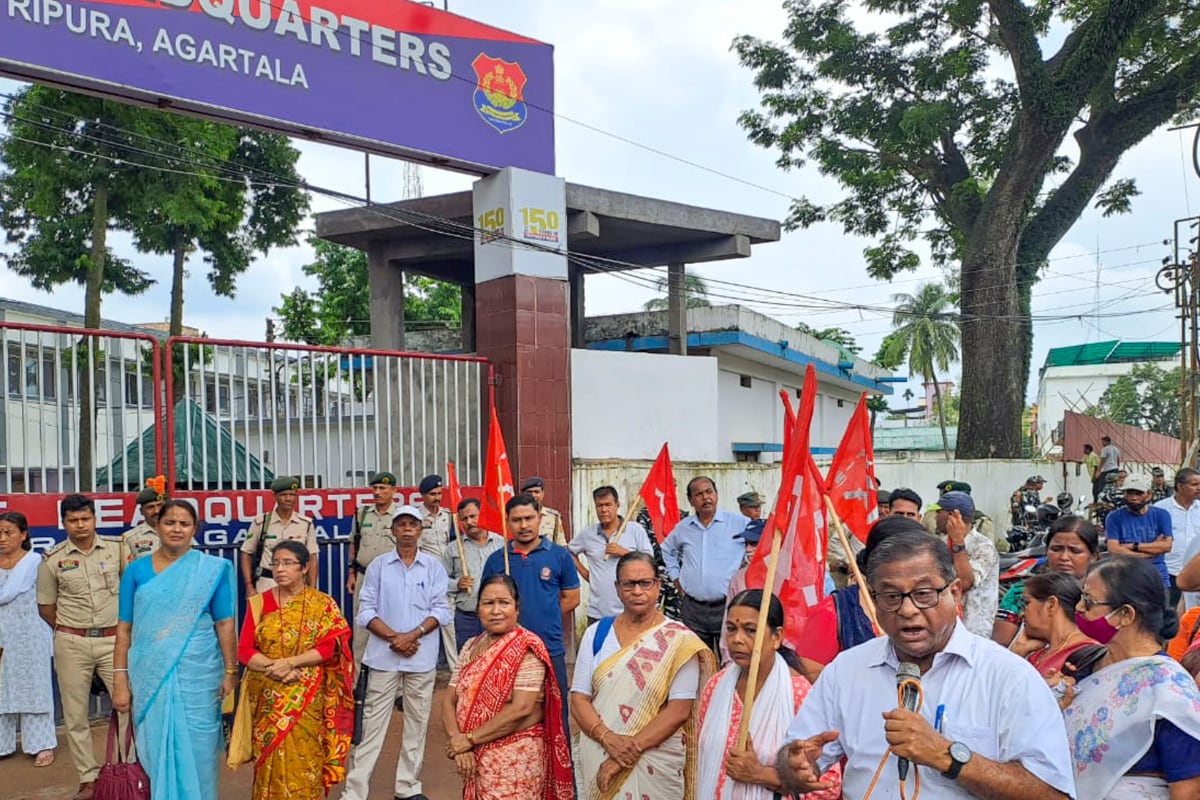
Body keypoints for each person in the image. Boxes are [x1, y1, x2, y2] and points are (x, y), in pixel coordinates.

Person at [778, 530, 1076, 800]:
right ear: (873, 600)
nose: (907, 610)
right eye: (891, 596)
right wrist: (796, 766)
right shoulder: (846, 671)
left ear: (955, 592)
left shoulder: (1009, 677)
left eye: (923, 594)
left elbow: (1053, 794)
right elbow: (795, 755)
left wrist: (949, 757)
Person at [111, 499, 238, 800]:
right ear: (157, 525)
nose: (177, 529)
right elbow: (124, 629)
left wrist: (231, 672)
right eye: (170, 522)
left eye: (185, 523)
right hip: (149, 674)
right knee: (155, 749)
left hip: (200, 676)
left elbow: (225, 624)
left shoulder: (211, 570)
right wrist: (119, 681)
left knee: (199, 751)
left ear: (195, 528)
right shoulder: (136, 571)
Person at [571, 552, 715, 800]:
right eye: (629, 584)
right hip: (600, 748)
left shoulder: (679, 640)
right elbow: (579, 698)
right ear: (617, 588)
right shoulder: (597, 634)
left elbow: (679, 710)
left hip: (654, 759)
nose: (637, 591)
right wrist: (607, 738)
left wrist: (628, 751)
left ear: (658, 586)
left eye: (645, 583)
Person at [1063, 557, 1200, 798]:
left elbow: (1187, 789)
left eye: (1089, 601)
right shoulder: (1083, 664)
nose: (1078, 608)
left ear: (1126, 614)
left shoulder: (1168, 689)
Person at [342, 505, 451, 800]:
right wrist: (395, 638)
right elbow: (365, 611)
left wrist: (412, 635)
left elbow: (441, 610)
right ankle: (355, 790)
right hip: (383, 656)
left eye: (412, 524)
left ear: (420, 530)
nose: (406, 529)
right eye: (400, 524)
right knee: (372, 725)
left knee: (417, 723)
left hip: (421, 655)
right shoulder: (378, 566)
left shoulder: (434, 567)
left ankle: (407, 787)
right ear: (392, 531)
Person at [237, 539, 355, 800]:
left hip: (307, 695)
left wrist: (291, 663)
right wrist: (273, 667)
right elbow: (244, 650)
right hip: (269, 695)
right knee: (270, 760)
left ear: (304, 568)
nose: (280, 569)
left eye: (288, 563)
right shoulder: (259, 603)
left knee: (305, 757)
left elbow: (329, 648)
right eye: (276, 563)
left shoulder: (322, 604)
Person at [696, 590, 842, 800]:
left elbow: (828, 786)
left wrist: (761, 775)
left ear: (777, 637)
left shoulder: (798, 694)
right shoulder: (715, 687)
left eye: (750, 630)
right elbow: (699, 761)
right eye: (731, 629)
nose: (737, 639)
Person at [440, 574, 574, 800]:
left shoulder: (527, 647)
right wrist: (459, 743)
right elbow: (448, 700)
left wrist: (470, 739)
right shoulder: (471, 646)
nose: (495, 611)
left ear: (517, 608)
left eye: (504, 603)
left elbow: (521, 709)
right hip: (473, 756)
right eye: (488, 603)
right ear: (478, 609)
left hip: (514, 760)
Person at [36, 493, 124, 800]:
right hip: (72, 641)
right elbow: (46, 607)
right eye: (73, 520)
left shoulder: (118, 550)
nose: (80, 525)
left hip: (115, 640)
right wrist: (74, 631)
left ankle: (126, 769)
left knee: (126, 706)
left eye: (85, 518)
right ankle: (88, 778)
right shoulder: (54, 559)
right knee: (75, 715)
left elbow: (132, 593)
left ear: (95, 519)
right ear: (63, 523)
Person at [481, 494, 580, 728]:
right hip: (506, 650)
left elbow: (572, 598)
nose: (523, 525)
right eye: (516, 520)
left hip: (549, 647)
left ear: (540, 518)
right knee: (510, 714)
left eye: (529, 518)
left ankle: (560, 764)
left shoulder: (559, 556)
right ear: (508, 521)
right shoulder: (497, 560)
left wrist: (546, 616)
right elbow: (486, 603)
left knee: (555, 715)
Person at [662, 477, 751, 652]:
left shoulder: (739, 523)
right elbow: (667, 549)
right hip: (693, 608)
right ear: (691, 500)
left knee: (731, 658)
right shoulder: (684, 528)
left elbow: (761, 547)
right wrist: (676, 578)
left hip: (729, 606)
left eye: (709, 492)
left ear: (716, 494)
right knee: (697, 659)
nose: (705, 498)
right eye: (699, 494)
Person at [0, 511, 56, 767]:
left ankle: (40, 744)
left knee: (34, 687)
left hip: (30, 636)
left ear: (23, 535)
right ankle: (3, 744)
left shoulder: (36, 563)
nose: (2, 538)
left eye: (8, 532)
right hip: (1, 637)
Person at [993, 515, 1101, 647]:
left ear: (1094, 556)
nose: (1064, 557)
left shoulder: (1101, 597)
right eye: (1056, 549)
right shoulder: (1022, 593)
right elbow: (1000, 646)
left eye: (1075, 551)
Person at [568, 485, 656, 626]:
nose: (604, 510)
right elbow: (569, 551)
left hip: (631, 610)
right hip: (598, 613)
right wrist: (586, 574)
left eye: (608, 505)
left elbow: (649, 561)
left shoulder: (635, 530)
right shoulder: (588, 534)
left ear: (617, 505)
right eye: (599, 506)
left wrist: (624, 553)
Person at [347, 471, 401, 662]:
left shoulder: (401, 516)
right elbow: (354, 543)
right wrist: (351, 574)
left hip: (392, 579)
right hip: (364, 577)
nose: (377, 492)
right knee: (361, 629)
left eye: (383, 488)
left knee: (391, 626)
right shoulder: (362, 514)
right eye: (375, 488)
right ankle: (357, 683)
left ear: (393, 491)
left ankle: (395, 685)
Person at [1007, 572, 1098, 679]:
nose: (1022, 613)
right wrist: (1019, 650)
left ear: (1051, 605)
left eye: (1027, 603)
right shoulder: (1037, 654)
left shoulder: (1088, 654)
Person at [1105, 474, 1174, 615]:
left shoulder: (1161, 515)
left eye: (1138, 493)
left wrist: (1131, 546)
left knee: (1161, 622)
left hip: (1157, 577)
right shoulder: (1114, 517)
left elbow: (1166, 546)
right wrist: (1150, 550)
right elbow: (1113, 549)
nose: (1133, 497)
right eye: (1129, 492)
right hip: (1125, 578)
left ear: (1149, 494)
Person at [443, 498, 504, 650]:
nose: (469, 522)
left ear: (482, 514)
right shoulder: (453, 549)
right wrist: (456, 584)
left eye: (473, 516)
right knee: (468, 663)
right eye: (464, 519)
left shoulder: (501, 544)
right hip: (467, 618)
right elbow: (440, 581)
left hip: (497, 616)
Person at [935, 491, 998, 638]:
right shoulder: (941, 543)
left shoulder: (983, 546)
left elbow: (964, 582)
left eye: (939, 512)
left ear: (953, 515)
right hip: (947, 626)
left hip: (974, 627)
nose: (936, 518)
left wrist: (958, 543)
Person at [240, 476, 317, 595]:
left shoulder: (305, 524)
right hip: (267, 583)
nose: (288, 499)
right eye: (283, 495)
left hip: (297, 586)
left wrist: (312, 589)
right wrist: (249, 585)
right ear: (275, 496)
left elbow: (312, 558)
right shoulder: (262, 522)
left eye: (292, 495)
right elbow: (246, 553)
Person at [1155, 467, 1200, 612]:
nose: (1199, 488)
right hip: (1169, 572)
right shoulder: (1160, 510)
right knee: (1168, 615)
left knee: (1192, 615)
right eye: (1194, 484)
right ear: (1180, 486)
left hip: (1195, 575)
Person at [121, 478, 166, 563]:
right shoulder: (130, 538)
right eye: (150, 507)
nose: (156, 511)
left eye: (160, 505)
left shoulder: (178, 532)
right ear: (141, 511)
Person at [522, 476, 568, 545]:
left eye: (536, 492)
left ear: (543, 493)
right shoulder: (517, 516)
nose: (533, 495)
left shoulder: (553, 517)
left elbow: (561, 544)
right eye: (529, 492)